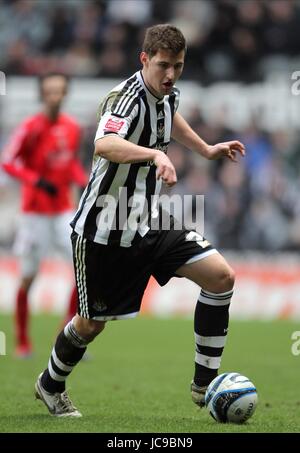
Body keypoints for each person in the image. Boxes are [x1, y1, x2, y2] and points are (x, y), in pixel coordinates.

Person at [34, 25, 245, 417]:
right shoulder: (125, 98)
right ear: (144, 59)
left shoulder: (168, 93)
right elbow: (104, 143)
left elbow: (170, 117)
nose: (170, 75)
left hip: (148, 221)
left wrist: (205, 149)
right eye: (163, 65)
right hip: (103, 228)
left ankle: (205, 386)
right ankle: (49, 384)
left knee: (221, 277)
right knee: (89, 326)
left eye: (178, 67)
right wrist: (154, 155)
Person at [1, 73, 87, 357]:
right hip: (34, 213)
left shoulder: (72, 128)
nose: (54, 96)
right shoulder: (30, 127)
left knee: (83, 271)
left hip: (62, 210)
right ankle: (23, 341)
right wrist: (35, 180)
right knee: (28, 276)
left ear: (65, 94)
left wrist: (84, 181)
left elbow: (71, 163)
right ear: (42, 95)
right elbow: (8, 161)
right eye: (49, 91)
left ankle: (68, 337)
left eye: (59, 91)